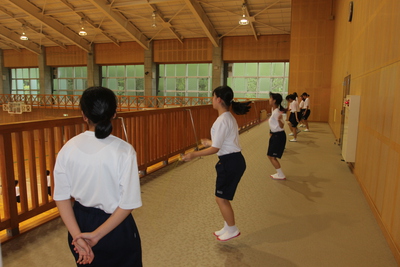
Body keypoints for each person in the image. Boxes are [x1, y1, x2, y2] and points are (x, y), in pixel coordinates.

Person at [53, 86, 142, 266]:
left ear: (84, 115)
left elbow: (61, 197)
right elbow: (128, 203)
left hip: (79, 221)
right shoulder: (124, 151)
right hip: (115, 226)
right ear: (114, 114)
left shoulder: (68, 149)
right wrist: (97, 235)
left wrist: (77, 236)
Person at [182, 85, 251, 242]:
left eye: (213, 97)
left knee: (221, 198)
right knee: (222, 197)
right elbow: (222, 142)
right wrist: (209, 142)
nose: (211, 100)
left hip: (230, 162)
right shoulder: (228, 117)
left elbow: (215, 149)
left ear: (219, 99)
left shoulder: (221, 121)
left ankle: (232, 229)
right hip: (234, 160)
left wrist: (193, 154)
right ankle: (227, 227)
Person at [268, 92, 287, 180]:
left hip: (278, 136)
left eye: (270, 98)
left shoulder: (276, 112)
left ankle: (281, 174)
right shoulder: (274, 110)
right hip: (275, 135)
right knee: (271, 156)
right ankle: (279, 173)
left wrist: (279, 120)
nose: (269, 100)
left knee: (272, 157)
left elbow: (282, 125)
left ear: (274, 100)